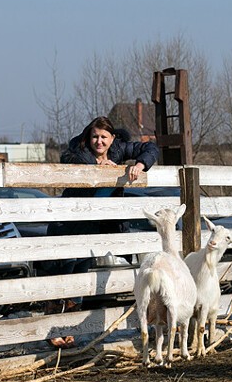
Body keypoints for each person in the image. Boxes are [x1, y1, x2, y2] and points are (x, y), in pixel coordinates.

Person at [46, 116, 159, 348]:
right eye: (95, 137)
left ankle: (70, 330)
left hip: (93, 227)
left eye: (104, 137)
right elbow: (70, 162)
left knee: (82, 274)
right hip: (70, 224)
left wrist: (139, 165)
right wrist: (102, 170)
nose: (99, 142)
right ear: (89, 137)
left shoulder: (118, 149)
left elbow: (150, 147)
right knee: (65, 272)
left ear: (112, 138)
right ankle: (53, 328)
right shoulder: (79, 152)